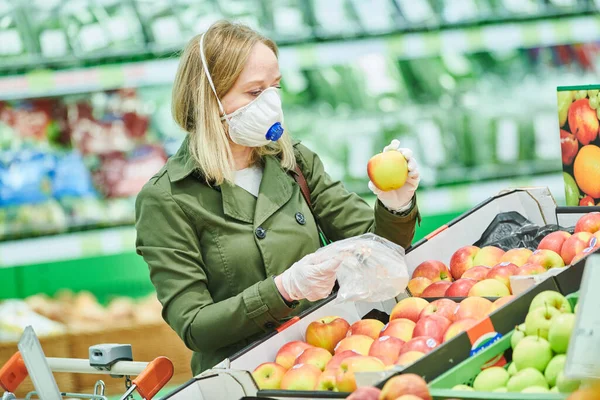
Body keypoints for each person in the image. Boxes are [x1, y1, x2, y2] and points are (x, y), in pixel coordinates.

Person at [134, 20, 421, 376]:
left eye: (275, 87)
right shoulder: (167, 197)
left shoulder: (292, 161)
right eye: (255, 93)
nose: (271, 103)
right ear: (208, 99)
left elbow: (379, 249)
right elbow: (194, 325)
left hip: (332, 361)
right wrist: (282, 290)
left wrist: (396, 205)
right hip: (244, 378)